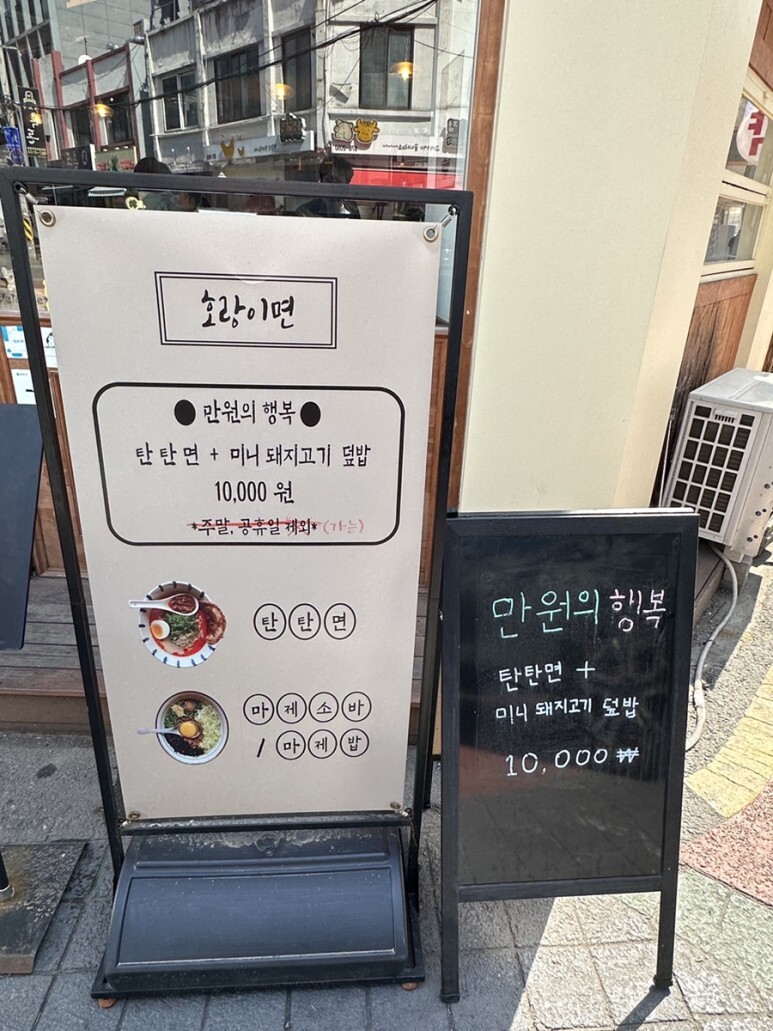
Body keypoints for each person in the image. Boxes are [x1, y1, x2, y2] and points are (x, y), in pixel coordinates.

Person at [295, 155, 360, 218]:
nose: (333, 186)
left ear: (346, 185)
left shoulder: (353, 209)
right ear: (322, 182)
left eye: (337, 181)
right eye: (329, 180)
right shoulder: (305, 212)